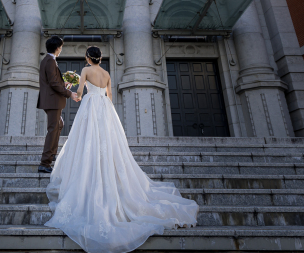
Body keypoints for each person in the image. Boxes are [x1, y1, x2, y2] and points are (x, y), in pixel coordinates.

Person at [44, 46, 198, 253]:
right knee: (108, 143)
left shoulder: (85, 70)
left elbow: (80, 93)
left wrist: (70, 89)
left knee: (86, 141)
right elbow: (109, 96)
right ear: (100, 58)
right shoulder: (106, 73)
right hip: (106, 109)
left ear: (88, 58)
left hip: (90, 106)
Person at [37, 35, 80, 174]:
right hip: (52, 101)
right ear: (57, 48)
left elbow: (54, 82)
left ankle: (51, 155)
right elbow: (53, 83)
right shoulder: (50, 61)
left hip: (52, 100)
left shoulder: (49, 60)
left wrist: (64, 85)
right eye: (60, 47)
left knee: (58, 125)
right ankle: (45, 162)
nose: (61, 49)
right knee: (53, 129)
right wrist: (69, 93)